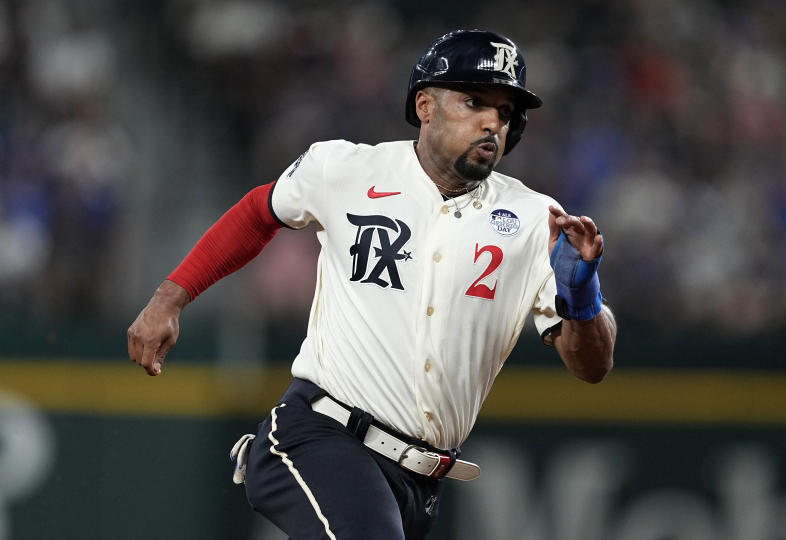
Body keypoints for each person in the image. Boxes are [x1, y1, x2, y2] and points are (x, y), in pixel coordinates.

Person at [126, 29, 616, 540]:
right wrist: (170, 297)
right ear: (425, 105)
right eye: (474, 101)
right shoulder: (347, 169)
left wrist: (582, 298)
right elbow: (258, 212)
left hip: (420, 483)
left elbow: (592, 367)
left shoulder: (537, 220)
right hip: (322, 434)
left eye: (506, 111)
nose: (493, 120)